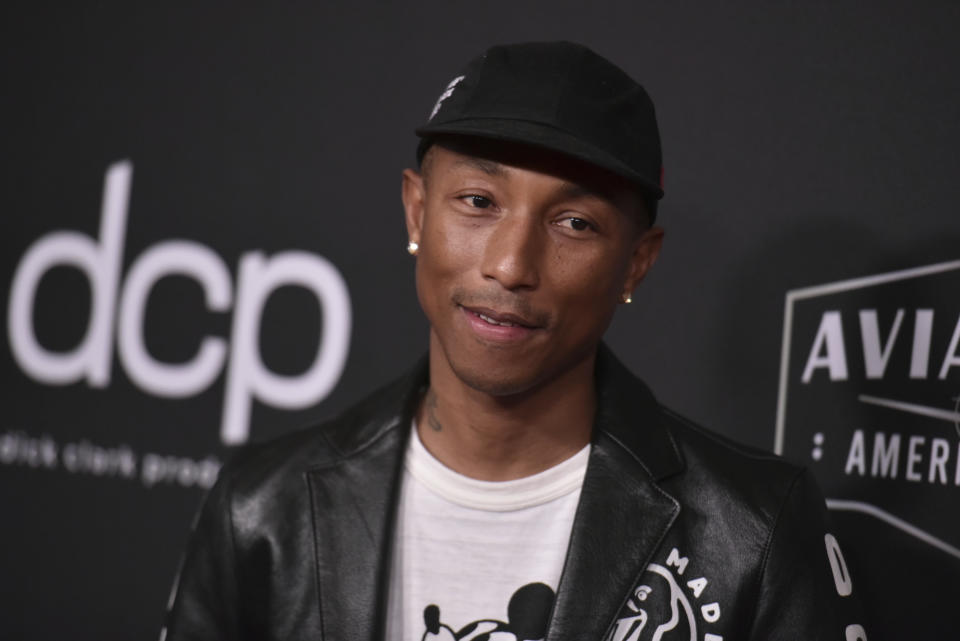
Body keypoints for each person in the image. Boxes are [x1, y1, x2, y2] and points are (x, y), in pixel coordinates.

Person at [162, 41, 866, 641]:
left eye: (575, 223)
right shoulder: (260, 511)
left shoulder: (752, 533)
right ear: (416, 210)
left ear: (638, 261)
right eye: (478, 201)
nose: (510, 264)